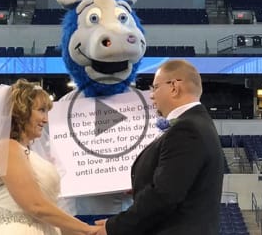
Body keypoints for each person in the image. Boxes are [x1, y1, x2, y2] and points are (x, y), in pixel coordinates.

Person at [95, 59, 225, 235]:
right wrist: (142, 182)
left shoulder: (186, 130)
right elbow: (177, 181)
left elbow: (164, 196)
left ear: (174, 87)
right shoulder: (197, 123)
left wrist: (115, 227)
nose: (151, 95)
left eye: (155, 87)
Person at [0, 79, 100, 235]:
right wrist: (87, 229)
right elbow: (36, 206)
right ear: (22, 112)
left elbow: (48, 213)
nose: (46, 119)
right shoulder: (7, 148)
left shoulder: (27, 153)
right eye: (41, 110)